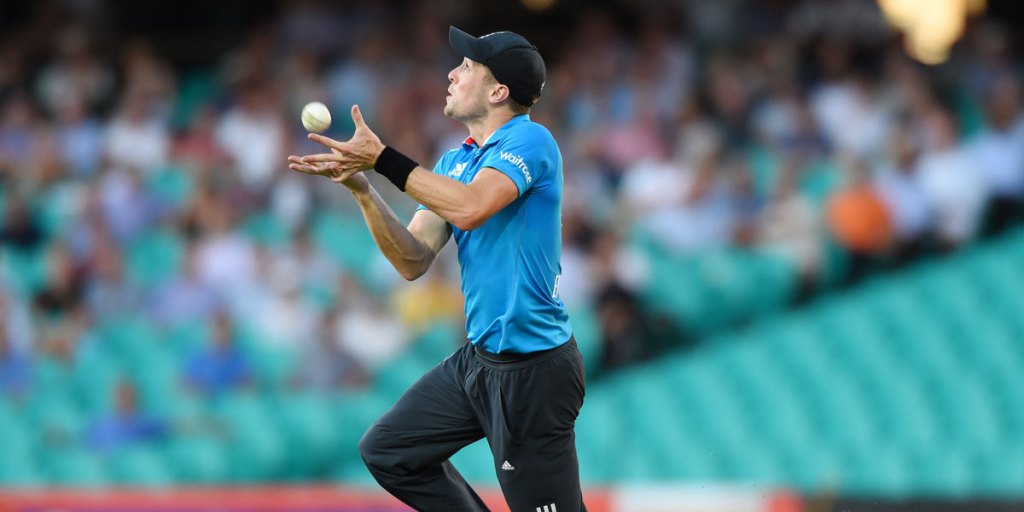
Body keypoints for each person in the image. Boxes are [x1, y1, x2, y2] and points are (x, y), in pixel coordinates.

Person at [289, 26, 586, 512]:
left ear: (498, 91)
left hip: (533, 372)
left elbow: (471, 209)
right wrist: (364, 190)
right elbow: (412, 259)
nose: (452, 72)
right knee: (390, 451)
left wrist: (384, 158)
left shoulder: (531, 140)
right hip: (480, 360)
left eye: (467, 67)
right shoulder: (454, 161)